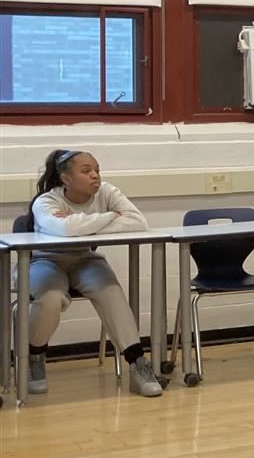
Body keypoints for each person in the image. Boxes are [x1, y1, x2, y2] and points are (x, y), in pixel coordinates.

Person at [23, 149, 163, 398]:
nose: (95, 176)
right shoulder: (46, 201)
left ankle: (138, 363)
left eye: (97, 170)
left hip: (85, 259)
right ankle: (35, 356)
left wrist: (82, 224)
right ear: (66, 178)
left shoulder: (107, 192)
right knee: (51, 298)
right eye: (86, 171)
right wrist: (111, 217)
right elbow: (64, 229)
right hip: (46, 260)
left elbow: (138, 222)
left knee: (111, 292)